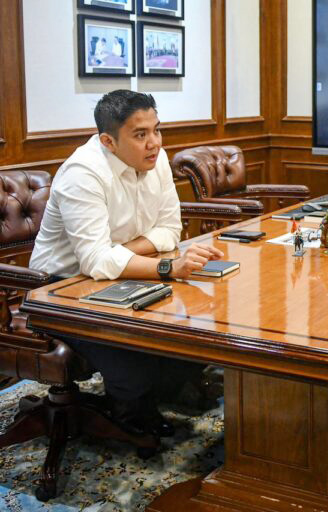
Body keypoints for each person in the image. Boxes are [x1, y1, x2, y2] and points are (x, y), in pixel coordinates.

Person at [30, 90, 224, 439]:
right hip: (59, 287)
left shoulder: (156, 159)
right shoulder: (82, 173)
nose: (154, 143)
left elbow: (169, 231)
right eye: (140, 134)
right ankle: (126, 410)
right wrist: (166, 268)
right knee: (134, 362)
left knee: (195, 331)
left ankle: (157, 393)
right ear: (108, 141)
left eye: (157, 130)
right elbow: (94, 261)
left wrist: (115, 253)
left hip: (119, 273)